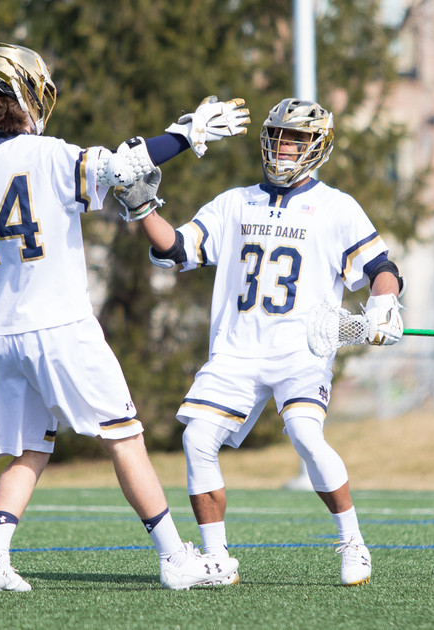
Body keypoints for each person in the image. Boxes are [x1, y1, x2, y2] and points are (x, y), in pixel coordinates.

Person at [0, 42, 250, 592]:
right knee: (125, 438)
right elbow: (126, 166)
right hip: (59, 326)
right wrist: (187, 132)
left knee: (31, 446)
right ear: (27, 94)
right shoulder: (51, 154)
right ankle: (175, 558)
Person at [118, 98, 405, 587]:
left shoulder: (337, 206)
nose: (284, 147)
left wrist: (383, 306)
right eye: (278, 136)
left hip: (302, 349)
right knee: (196, 440)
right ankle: (215, 560)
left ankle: (352, 540)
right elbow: (178, 249)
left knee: (305, 435)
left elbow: (382, 271)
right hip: (236, 350)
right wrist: (143, 208)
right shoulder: (234, 202)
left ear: (319, 146)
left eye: (296, 139)